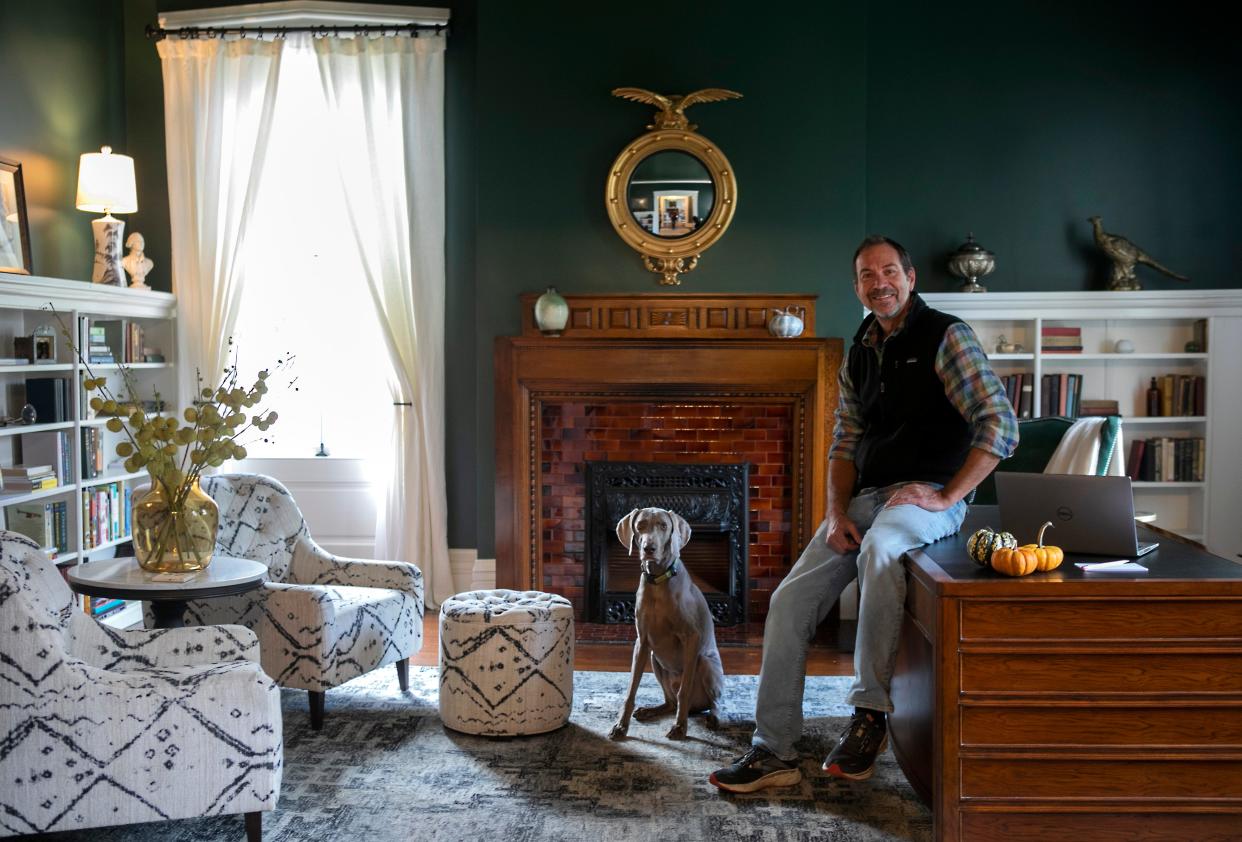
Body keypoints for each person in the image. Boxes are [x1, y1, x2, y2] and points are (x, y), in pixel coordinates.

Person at [710, 235, 1018, 793]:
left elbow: (1000, 424)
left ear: (910, 277)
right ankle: (772, 748)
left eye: (889, 271)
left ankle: (869, 717)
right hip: (865, 500)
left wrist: (948, 497)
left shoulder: (947, 336)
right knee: (789, 599)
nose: (880, 282)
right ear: (856, 287)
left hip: (924, 498)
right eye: (867, 275)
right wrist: (834, 512)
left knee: (881, 548)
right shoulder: (860, 350)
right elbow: (844, 442)